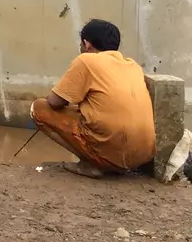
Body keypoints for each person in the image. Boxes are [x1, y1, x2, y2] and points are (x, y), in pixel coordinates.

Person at [30, 19, 155, 178]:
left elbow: (54, 102)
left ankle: (92, 164)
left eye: (81, 45)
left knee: (39, 108)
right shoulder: (133, 65)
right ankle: (110, 162)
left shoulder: (86, 60)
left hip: (112, 155)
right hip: (142, 156)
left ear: (87, 44)